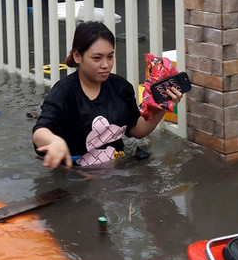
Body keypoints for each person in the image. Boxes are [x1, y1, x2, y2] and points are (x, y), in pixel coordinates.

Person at [32, 21, 184, 169]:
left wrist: (163, 105)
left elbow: (137, 130)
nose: (105, 65)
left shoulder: (121, 88)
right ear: (77, 56)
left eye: (110, 56)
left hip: (116, 170)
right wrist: (55, 142)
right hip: (77, 176)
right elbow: (40, 131)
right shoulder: (64, 93)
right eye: (97, 58)